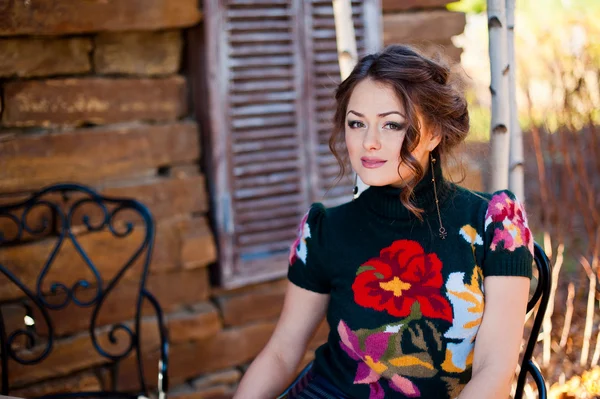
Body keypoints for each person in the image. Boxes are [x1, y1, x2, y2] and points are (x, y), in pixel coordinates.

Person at [234, 45, 533, 399]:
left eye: (392, 124)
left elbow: (494, 371)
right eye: (356, 123)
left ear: (434, 133)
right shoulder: (325, 229)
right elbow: (282, 351)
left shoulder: (494, 225)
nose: (369, 142)